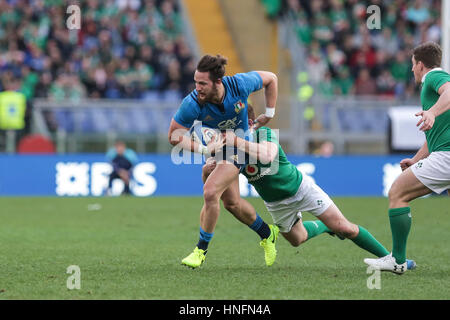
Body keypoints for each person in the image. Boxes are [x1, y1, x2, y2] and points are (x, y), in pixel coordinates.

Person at [203, 105, 416, 269]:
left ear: (248, 123)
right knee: (298, 239)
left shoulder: (264, 134)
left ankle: (395, 259)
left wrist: (238, 143)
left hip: (300, 189)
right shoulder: (229, 151)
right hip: (276, 204)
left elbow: (267, 154)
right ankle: (324, 227)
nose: (227, 130)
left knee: (345, 227)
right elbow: (222, 189)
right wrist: (212, 167)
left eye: (232, 126)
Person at [167, 54, 279, 268]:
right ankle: (268, 233)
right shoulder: (192, 103)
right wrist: (204, 149)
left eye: (202, 83)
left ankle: (200, 251)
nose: (197, 88)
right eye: (195, 82)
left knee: (210, 192)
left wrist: (270, 113)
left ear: (218, 82)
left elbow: (271, 78)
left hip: (240, 144)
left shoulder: (239, 84)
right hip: (219, 148)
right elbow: (174, 136)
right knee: (232, 204)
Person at [364, 42, 450, 274]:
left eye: (413, 65)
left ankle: (397, 261)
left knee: (398, 193)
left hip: (446, 157)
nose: (411, 70)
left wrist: (431, 112)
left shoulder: (434, 77)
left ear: (420, 65)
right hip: (443, 152)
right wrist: (415, 159)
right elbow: (435, 135)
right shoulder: (434, 88)